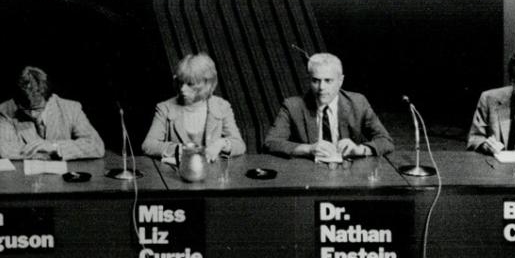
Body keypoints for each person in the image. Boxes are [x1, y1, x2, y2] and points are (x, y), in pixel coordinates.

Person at [263, 52, 392, 160]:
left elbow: (385, 141)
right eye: (315, 81)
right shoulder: (292, 106)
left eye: (328, 81)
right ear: (309, 80)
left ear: (340, 81)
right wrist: (308, 149)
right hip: (308, 173)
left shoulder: (358, 102)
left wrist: (359, 150)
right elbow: (271, 142)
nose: (321, 88)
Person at [141, 53, 246, 164]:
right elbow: (148, 145)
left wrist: (222, 144)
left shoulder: (222, 107)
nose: (182, 89)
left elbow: (240, 145)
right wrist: (181, 150)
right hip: (176, 175)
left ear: (207, 83)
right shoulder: (165, 108)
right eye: (181, 82)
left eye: (190, 84)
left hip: (212, 175)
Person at [0, 66, 105, 160]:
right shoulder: (6, 110)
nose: (32, 114)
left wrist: (54, 147)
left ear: (49, 99)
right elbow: (5, 150)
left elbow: (96, 146)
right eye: (26, 109)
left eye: (37, 109)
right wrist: (43, 153)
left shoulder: (71, 108)